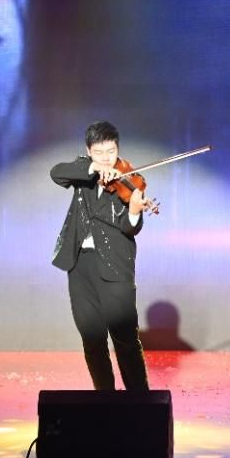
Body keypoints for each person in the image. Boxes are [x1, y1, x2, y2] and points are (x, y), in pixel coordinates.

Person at [51, 121, 152, 390]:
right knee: (92, 339)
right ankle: (104, 399)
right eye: (99, 152)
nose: (106, 158)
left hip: (115, 265)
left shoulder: (129, 179)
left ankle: (139, 401)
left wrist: (134, 211)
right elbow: (56, 173)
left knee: (125, 340)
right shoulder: (82, 171)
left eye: (111, 151)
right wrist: (92, 168)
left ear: (118, 148)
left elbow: (130, 228)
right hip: (80, 265)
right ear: (88, 151)